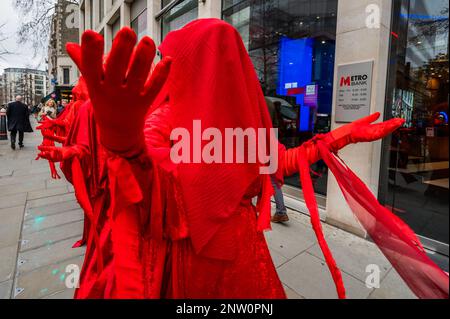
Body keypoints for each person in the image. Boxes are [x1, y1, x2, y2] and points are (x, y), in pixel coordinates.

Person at [37, 21, 448, 299]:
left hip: (240, 256)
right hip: (189, 261)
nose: (164, 67)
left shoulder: (232, 122)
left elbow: (275, 163)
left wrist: (331, 140)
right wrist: (123, 142)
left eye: (171, 59)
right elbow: (150, 185)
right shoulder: (162, 118)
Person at [265, 97, 289, 223]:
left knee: (258, 176)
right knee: (272, 179)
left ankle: (279, 211)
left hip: (259, 141)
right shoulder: (269, 103)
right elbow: (275, 125)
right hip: (271, 140)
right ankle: (281, 211)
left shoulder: (253, 101)